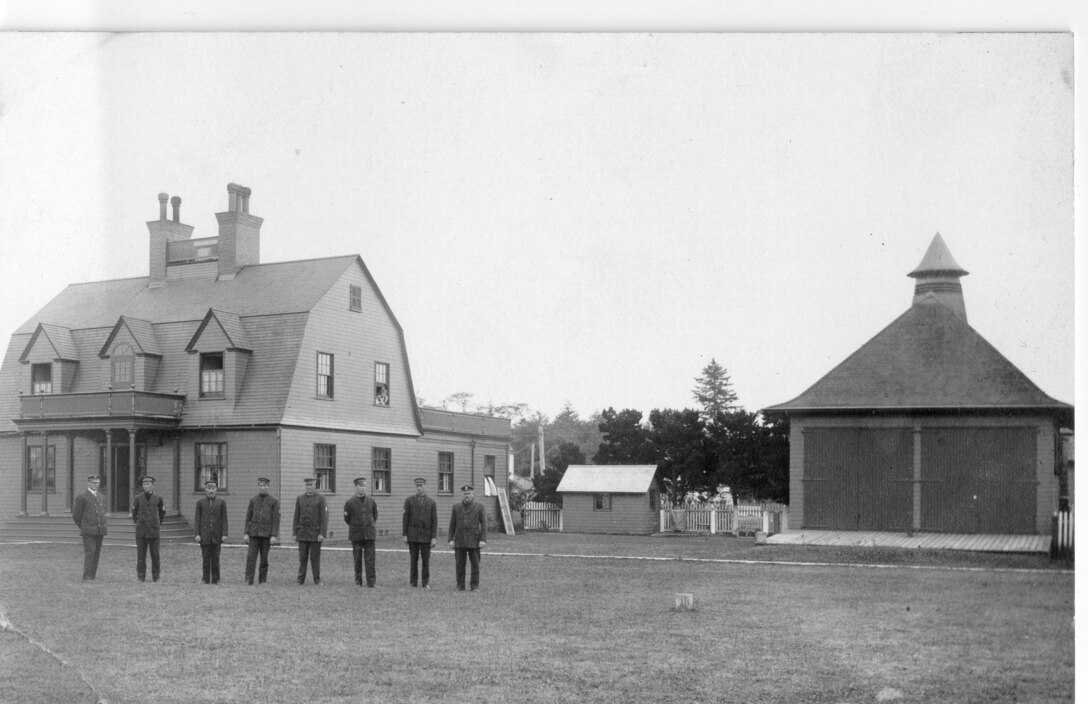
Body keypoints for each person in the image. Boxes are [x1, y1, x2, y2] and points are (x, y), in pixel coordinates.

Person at [448, 484, 487, 592]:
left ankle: (474, 586)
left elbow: (484, 525)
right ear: (462, 495)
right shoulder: (456, 508)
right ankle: (460, 585)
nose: (467, 496)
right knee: (460, 565)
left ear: (472, 494)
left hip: (474, 541)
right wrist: (451, 539)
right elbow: (452, 525)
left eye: (469, 493)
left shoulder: (479, 507)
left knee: (475, 565)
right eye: (465, 494)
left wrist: (483, 540)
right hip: (460, 540)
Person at [243, 477, 280, 585]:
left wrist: (274, 535)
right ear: (258, 487)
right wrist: (246, 533)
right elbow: (248, 518)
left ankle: (262, 580)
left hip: (266, 535)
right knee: (251, 558)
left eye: (264, 486)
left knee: (264, 559)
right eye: (261, 485)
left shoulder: (273, 502)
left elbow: (276, 520)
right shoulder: (253, 500)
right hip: (254, 534)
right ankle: (248, 579)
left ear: (268, 487)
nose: (262, 488)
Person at [71, 475, 108, 582]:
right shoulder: (82, 497)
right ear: (88, 483)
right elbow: (76, 515)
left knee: (96, 553)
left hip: (99, 530)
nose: (95, 485)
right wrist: (84, 526)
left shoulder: (101, 497)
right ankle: (86, 576)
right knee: (90, 553)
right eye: (93, 483)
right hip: (88, 530)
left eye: (97, 483)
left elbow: (101, 513)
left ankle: (92, 576)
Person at [402, 477, 437, 588]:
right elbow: (405, 518)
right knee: (413, 560)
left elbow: (434, 521)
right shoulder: (409, 501)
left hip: (426, 536)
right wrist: (404, 534)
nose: (419, 488)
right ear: (415, 487)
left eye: (421, 486)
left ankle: (425, 582)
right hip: (413, 535)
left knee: (425, 560)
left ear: (425, 487)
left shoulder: (431, 502)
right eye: (417, 486)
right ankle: (413, 582)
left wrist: (433, 537)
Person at [343, 477, 378, 587]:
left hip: (369, 535)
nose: (362, 488)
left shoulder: (371, 502)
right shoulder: (349, 503)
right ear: (356, 487)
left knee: (370, 560)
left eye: (364, 486)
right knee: (357, 559)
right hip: (356, 535)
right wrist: (357, 526)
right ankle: (358, 581)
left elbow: (375, 516)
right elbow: (347, 519)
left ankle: (371, 582)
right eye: (360, 486)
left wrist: (368, 525)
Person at [292, 477, 328, 585]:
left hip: (315, 533)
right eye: (307, 485)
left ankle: (317, 579)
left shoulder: (320, 499)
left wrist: (322, 533)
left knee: (315, 558)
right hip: (303, 533)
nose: (309, 487)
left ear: (315, 485)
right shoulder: (300, 498)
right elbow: (296, 516)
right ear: (305, 486)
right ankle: (300, 579)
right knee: (302, 558)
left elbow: (324, 517)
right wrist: (295, 533)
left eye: (311, 485)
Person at [130, 475, 165, 582]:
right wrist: (140, 523)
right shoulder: (138, 498)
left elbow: (162, 513)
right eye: (144, 484)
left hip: (154, 531)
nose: (146, 486)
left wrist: (157, 524)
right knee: (141, 556)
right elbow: (134, 513)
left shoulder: (158, 498)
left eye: (148, 484)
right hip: (141, 532)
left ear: (152, 486)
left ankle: (156, 576)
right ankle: (141, 576)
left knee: (155, 555)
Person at [194, 481, 228, 584]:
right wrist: (197, 534)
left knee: (216, 558)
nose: (211, 491)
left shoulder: (221, 502)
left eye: (213, 488)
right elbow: (197, 519)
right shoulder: (200, 503)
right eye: (209, 488)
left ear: (216, 490)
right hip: (204, 536)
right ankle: (205, 579)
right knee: (205, 558)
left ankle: (216, 579)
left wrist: (224, 534)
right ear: (205, 490)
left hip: (217, 535)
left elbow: (224, 519)